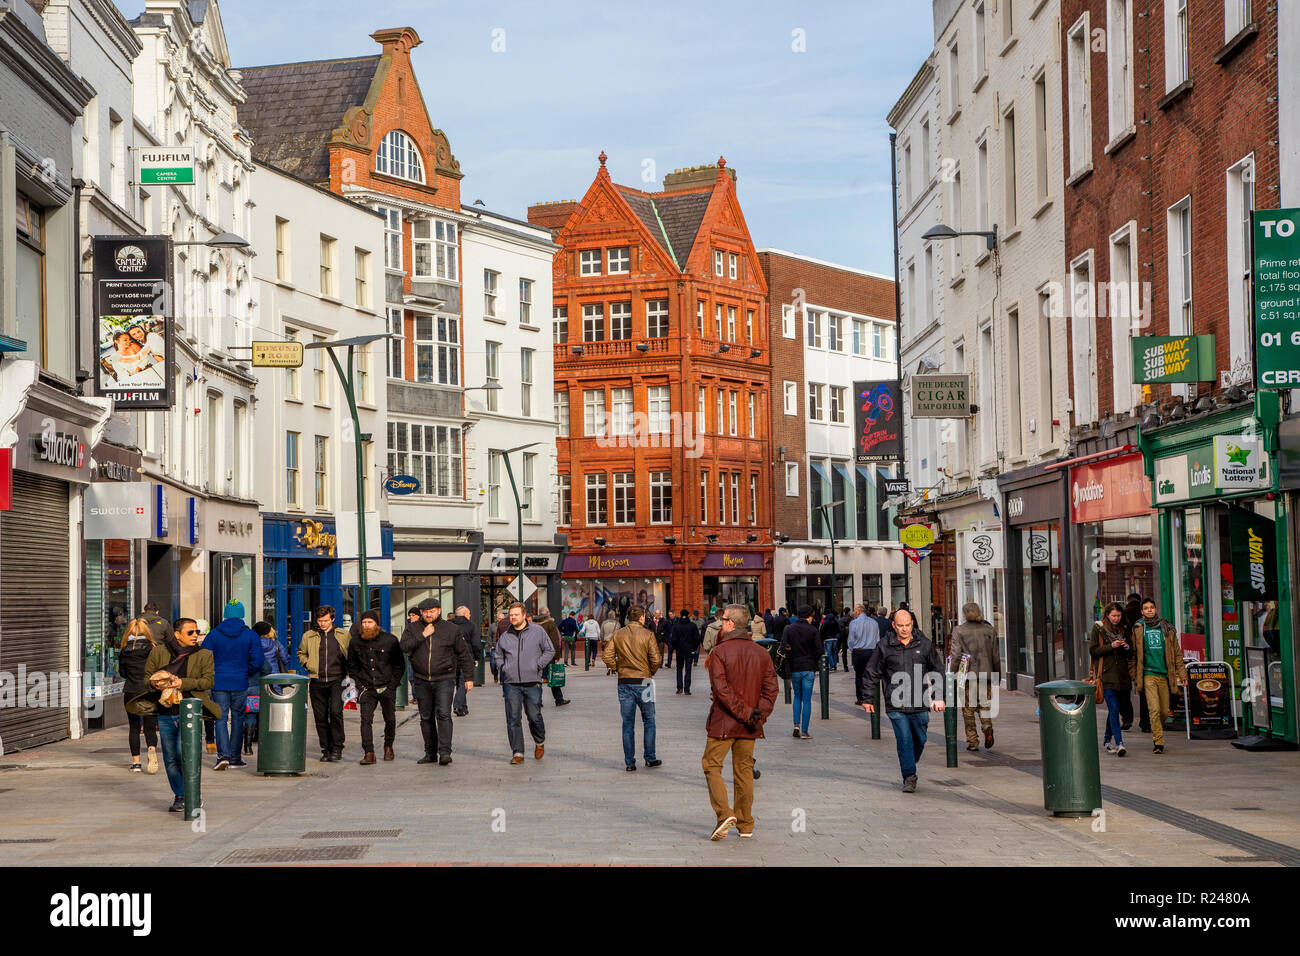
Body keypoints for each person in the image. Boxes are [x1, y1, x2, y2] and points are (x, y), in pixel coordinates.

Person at [702, 604, 778, 840]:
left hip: (725, 722)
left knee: (711, 764)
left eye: (723, 619)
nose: (721, 622)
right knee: (744, 771)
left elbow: (721, 690)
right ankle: (745, 823)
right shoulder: (761, 653)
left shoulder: (720, 652)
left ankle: (724, 814)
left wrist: (745, 713)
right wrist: (756, 715)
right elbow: (772, 690)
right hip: (750, 724)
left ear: (730, 624)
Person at [861, 608, 946, 792]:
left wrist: (938, 697)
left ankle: (909, 760)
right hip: (895, 702)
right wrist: (867, 699)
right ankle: (909, 776)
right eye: (900, 626)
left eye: (907, 625)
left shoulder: (924, 644)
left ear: (912, 624)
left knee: (920, 738)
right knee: (904, 739)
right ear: (894, 625)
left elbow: (937, 670)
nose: (905, 629)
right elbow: (871, 672)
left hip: (920, 701)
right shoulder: (884, 646)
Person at [141, 618, 221, 813]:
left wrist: (181, 684)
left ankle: (192, 793)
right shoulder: (159, 652)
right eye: (190, 632)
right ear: (177, 635)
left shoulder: (204, 654)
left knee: (182, 752)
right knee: (169, 757)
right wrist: (155, 683)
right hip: (165, 710)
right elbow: (146, 678)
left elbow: (207, 681)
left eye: (197, 632)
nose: (196, 636)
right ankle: (180, 795)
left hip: (190, 711)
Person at [400, 598, 474, 765]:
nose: (428, 614)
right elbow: (404, 647)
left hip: (444, 678)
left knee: (443, 714)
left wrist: (469, 678)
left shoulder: (452, 629)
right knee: (426, 717)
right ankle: (430, 753)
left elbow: (464, 655)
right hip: (421, 679)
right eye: (425, 612)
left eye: (432, 611)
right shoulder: (413, 628)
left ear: (439, 611)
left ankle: (445, 752)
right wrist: (423, 635)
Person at [205, 600, 264, 771]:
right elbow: (258, 661)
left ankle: (223, 755)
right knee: (238, 718)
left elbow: (205, 658)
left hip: (219, 682)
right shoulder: (250, 635)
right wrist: (246, 672)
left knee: (220, 718)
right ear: (242, 614)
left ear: (225, 614)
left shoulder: (214, 634)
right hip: (240, 681)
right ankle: (235, 757)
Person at [494, 601, 555, 764]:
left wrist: (538, 665)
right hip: (511, 683)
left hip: (532, 681)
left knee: (534, 716)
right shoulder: (506, 636)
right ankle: (518, 752)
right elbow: (498, 654)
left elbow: (550, 650)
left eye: (516, 615)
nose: (513, 618)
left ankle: (539, 741)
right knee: (513, 718)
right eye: (511, 615)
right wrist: (504, 668)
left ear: (524, 615)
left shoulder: (538, 631)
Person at [603, 604, 663, 771]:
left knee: (627, 723)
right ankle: (650, 757)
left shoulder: (618, 634)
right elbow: (656, 660)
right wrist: (650, 671)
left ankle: (630, 762)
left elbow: (606, 656)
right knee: (649, 720)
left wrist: (618, 668)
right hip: (645, 682)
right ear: (642, 617)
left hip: (625, 682)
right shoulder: (648, 634)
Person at [1131, 598, 1187, 754]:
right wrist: (1135, 677)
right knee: (1154, 709)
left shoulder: (1166, 628)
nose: (1149, 610)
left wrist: (1182, 674)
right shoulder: (1138, 628)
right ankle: (1158, 742)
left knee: (1164, 711)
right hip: (1148, 674)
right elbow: (1133, 655)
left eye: (1152, 607)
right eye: (1146, 608)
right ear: (1142, 611)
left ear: (1155, 609)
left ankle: (1158, 729)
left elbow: (1176, 653)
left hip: (1164, 675)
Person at [348, 610, 404, 764]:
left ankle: (388, 747)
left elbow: (399, 665)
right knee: (365, 720)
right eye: (364, 622)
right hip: (367, 687)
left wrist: (392, 685)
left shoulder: (390, 640)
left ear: (376, 624)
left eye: (370, 622)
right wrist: (360, 686)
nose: (366, 625)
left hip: (386, 686)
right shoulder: (355, 642)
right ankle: (369, 752)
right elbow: (352, 667)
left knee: (390, 719)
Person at [298, 605, 350, 762]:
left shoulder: (343, 635)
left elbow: (351, 653)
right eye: (320, 621)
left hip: (337, 680)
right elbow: (301, 653)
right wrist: (308, 664)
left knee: (335, 713)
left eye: (326, 621)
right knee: (320, 717)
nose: (322, 624)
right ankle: (326, 748)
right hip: (316, 680)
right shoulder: (309, 636)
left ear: (333, 619)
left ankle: (337, 747)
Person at [947, 601, 1000, 752]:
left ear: (964, 613)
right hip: (985, 674)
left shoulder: (959, 630)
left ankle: (972, 741)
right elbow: (996, 655)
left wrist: (952, 672)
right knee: (984, 705)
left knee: (968, 709)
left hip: (968, 675)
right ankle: (987, 726)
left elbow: (956, 654)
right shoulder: (989, 629)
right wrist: (997, 676)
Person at [1089, 602, 1132, 757]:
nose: (1116, 619)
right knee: (1113, 709)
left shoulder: (1124, 629)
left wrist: (1126, 646)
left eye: (1119, 616)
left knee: (1115, 710)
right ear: (1107, 614)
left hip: (1122, 676)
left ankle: (1107, 740)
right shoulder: (1098, 628)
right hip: (1105, 676)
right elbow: (1093, 651)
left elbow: (1131, 652)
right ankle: (1119, 743)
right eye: (1113, 615)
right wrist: (1111, 646)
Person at [117, 619, 159, 773]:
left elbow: (122, 673)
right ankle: (152, 749)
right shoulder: (153, 648)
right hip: (150, 691)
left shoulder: (124, 650)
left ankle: (136, 763)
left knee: (134, 727)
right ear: (146, 631)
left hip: (131, 691)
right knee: (150, 727)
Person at [784, 605, 822, 739]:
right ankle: (805, 731)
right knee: (807, 700)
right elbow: (819, 650)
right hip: (808, 667)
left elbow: (783, 650)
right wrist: (813, 660)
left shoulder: (789, 629)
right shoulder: (813, 630)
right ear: (808, 616)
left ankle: (796, 725)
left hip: (794, 667)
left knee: (797, 697)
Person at [534, 607, 571, 707]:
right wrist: (557, 655)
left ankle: (537, 701)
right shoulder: (550, 623)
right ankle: (559, 699)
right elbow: (554, 641)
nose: (550, 613)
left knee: (537, 678)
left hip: (536, 655)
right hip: (548, 655)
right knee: (553, 676)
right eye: (549, 612)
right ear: (546, 613)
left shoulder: (532, 624)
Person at [847, 604, 881, 705]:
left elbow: (851, 640)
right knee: (870, 675)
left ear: (858, 611)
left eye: (854, 610)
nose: (853, 613)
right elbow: (877, 639)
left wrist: (852, 650)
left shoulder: (854, 623)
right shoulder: (874, 622)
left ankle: (861, 698)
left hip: (859, 651)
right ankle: (870, 696)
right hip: (871, 651)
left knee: (859, 675)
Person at [1122, 592, 1145, 731]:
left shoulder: (1123, 614)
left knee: (1125, 690)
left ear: (1127, 602)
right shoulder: (1143, 616)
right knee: (1143, 689)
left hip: (1127, 655)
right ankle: (1145, 722)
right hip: (1141, 656)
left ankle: (1127, 719)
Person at [452, 605, 480, 716]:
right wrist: (477, 657)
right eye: (469, 613)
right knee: (464, 681)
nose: (470, 615)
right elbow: (476, 643)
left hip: (453, 657)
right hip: (467, 656)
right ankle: (457, 704)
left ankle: (463, 707)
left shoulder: (451, 625)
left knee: (459, 682)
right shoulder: (471, 626)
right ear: (464, 614)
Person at [672, 607, 703, 694]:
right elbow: (697, 639)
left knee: (679, 668)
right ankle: (686, 689)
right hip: (689, 650)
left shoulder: (676, 625)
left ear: (680, 615)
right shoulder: (692, 626)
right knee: (688, 669)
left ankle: (679, 688)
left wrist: (676, 647)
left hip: (679, 650)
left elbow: (673, 639)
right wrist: (694, 649)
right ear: (688, 615)